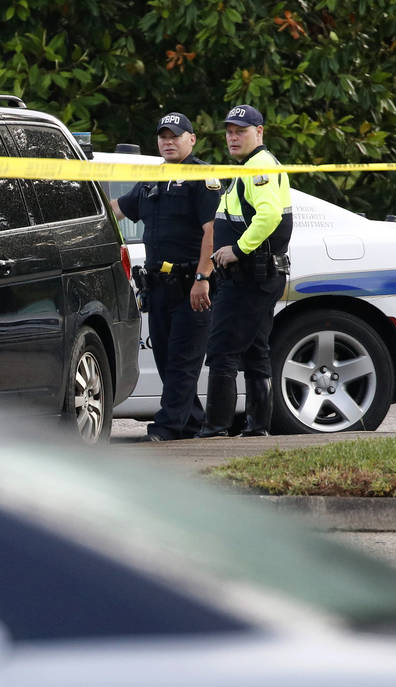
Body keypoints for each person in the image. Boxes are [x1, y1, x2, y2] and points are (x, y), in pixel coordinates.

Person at [111, 112, 221, 441]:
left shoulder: (203, 178)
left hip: (191, 282)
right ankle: (191, 421)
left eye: (175, 135)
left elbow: (212, 231)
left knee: (182, 361)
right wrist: (83, 208)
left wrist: (203, 277)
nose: (168, 141)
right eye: (163, 136)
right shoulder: (151, 180)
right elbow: (118, 208)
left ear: (192, 139)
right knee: (164, 357)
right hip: (158, 285)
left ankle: (168, 425)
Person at [197, 104, 293, 438]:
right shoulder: (253, 166)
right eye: (230, 131)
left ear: (259, 132)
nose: (233, 137)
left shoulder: (259, 167)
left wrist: (238, 250)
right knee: (255, 351)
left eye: (241, 131)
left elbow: (269, 216)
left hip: (250, 275)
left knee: (222, 349)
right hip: (257, 275)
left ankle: (215, 428)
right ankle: (256, 428)